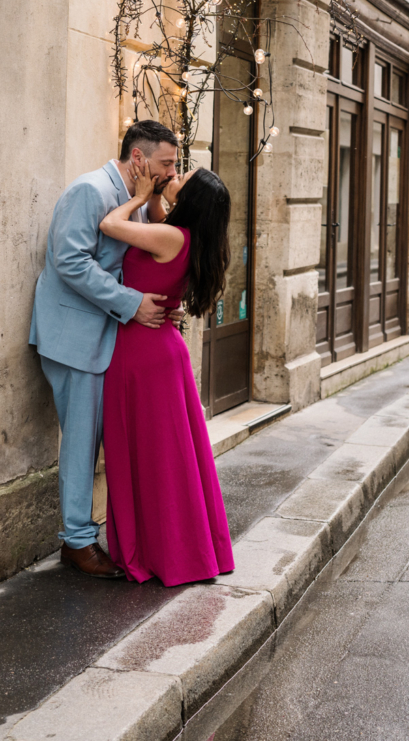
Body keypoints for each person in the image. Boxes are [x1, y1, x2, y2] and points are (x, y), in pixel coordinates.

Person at [29, 120, 182, 578]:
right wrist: (133, 304)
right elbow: (70, 262)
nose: (173, 173)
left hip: (103, 335)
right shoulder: (90, 191)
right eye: (166, 164)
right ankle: (77, 542)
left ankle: (86, 535)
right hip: (74, 338)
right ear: (138, 158)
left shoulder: (135, 198)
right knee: (81, 442)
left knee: (95, 439)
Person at [98, 166, 235, 585]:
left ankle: (168, 551)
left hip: (141, 350)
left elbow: (109, 224)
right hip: (160, 350)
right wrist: (157, 195)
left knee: (152, 455)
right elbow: (160, 220)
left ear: (189, 197)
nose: (175, 174)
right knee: (170, 455)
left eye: (182, 176)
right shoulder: (183, 235)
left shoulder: (170, 237)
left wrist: (138, 196)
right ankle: (183, 548)